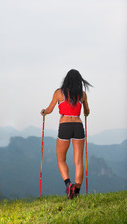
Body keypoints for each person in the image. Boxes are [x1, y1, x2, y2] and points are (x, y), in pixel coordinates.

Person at [40, 69, 92, 199]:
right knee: (78, 161)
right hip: (78, 126)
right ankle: (77, 192)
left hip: (64, 126)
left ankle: (69, 185)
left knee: (61, 159)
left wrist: (44, 112)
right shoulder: (82, 95)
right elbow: (87, 111)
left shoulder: (59, 93)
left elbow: (50, 109)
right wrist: (85, 110)